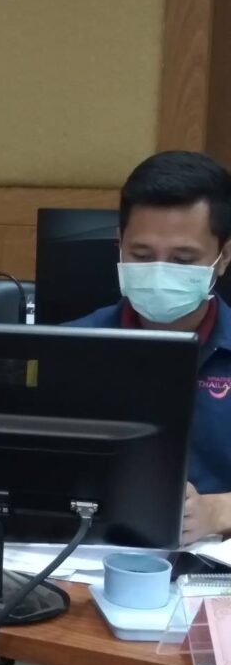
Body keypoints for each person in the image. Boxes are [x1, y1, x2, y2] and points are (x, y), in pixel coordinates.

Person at [68, 150, 231, 544]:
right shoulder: (71, 348)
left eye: (183, 259)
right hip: (86, 553)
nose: (159, 272)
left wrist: (217, 510)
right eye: (141, 256)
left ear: (223, 257)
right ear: (119, 246)